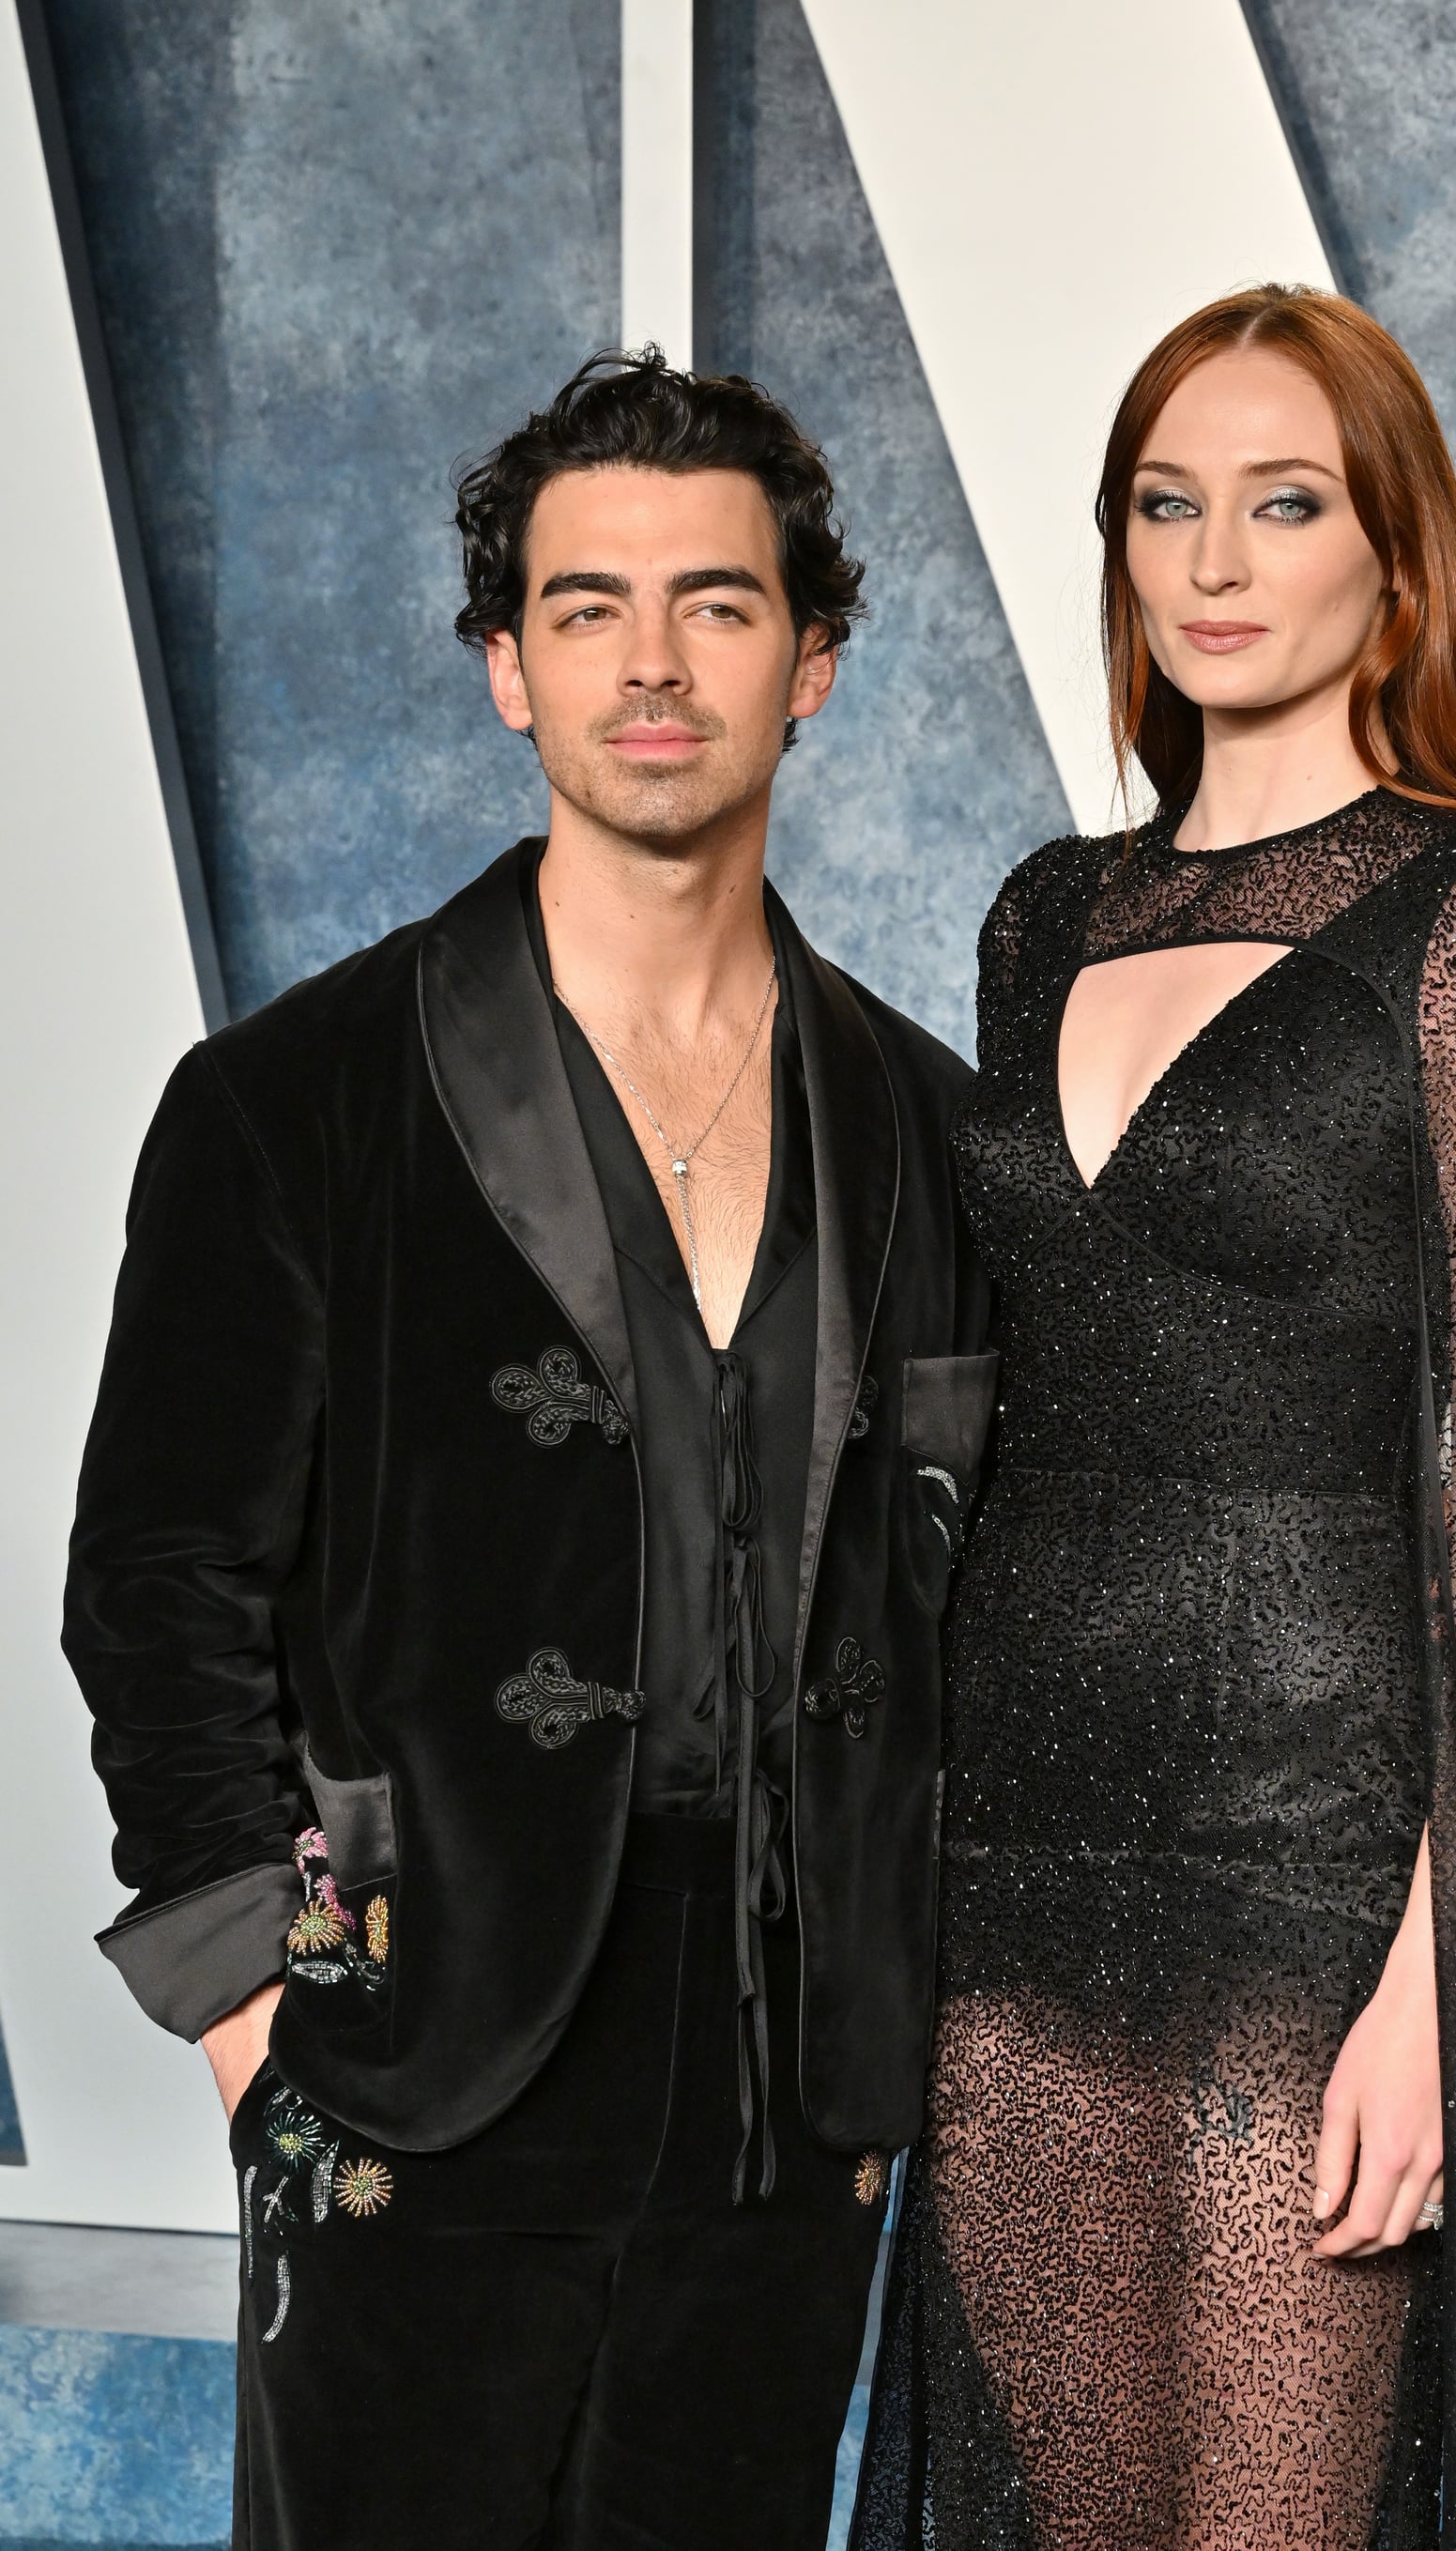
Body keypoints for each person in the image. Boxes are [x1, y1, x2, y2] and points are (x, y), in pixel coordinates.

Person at [65, 348, 997, 2551]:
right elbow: (159, 1580)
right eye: (586, 609)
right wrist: (260, 2023)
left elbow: (970, 1589)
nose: (651, 665)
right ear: (506, 669)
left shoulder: (926, 1127)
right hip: (409, 2031)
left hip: (791, 2073)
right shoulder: (289, 1102)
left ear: (816, 662)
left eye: (716, 604)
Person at [854, 285, 1456, 2551]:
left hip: (1314, 1877)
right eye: (1162, 504)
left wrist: (1439, 1978)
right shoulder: (1046, 914)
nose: (1210, 559)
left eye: (1279, 503)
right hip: (1017, 1862)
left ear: (1390, 564)